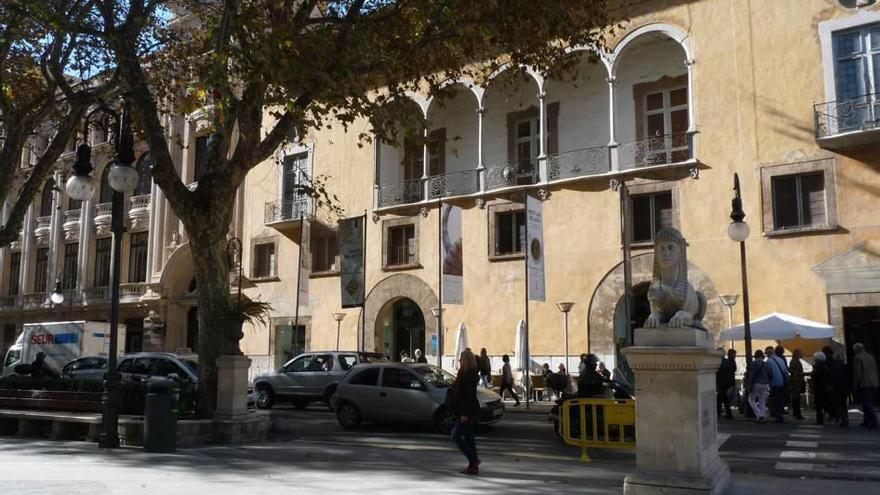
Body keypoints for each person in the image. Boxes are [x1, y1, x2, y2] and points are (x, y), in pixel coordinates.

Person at [448, 349, 480, 475]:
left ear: (466, 360)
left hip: (467, 412)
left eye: (461, 359)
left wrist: (465, 414)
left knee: (456, 435)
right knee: (469, 438)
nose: (459, 361)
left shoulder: (468, 375)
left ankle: (474, 460)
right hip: (468, 411)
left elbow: (468, 396)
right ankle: (473, 467)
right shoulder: (465, 373)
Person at [852, 343, 878, 430]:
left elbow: (857, 372)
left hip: (864, 383)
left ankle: (874, 421)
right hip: (874, 383)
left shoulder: (857, 358)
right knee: (868, 402)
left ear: (857, 349)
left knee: (866, 403)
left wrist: (855, 384)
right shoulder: (871, 357)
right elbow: (875, 370)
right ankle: (866, 421)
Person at [825, 345, 849, 428]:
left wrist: (830, 385)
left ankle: (843, 420)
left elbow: (832, 377)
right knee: (844, 404)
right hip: (845, 387)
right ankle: (845, 418)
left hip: (837, 387)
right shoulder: (846, 366)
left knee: (838, 404)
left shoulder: (835, 366)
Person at [746, 349, 771, 423]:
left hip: (756, 383)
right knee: (762, 400)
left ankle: (759, 415)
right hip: (764, 384)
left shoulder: (754, 363)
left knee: (751, 399)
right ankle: (763, 415)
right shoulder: (765, 363)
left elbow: (752, 375)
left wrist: (748, 385)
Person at [766, 346, 789, 423]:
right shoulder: (780, 360)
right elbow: (786, 371)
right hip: (782, 382)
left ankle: (777, 416)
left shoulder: (768, 361)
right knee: (780, 400)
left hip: (774, 382)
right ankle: (779, 416)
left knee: (775, 400)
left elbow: (768, 373)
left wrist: (768, 382)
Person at [811, 351, 832, 425]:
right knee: (824, 403)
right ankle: (825, 416)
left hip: (819, 387)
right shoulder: (825, 365)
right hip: (824, 387)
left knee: (819, 404)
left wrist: (813, 369)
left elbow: (814, 375)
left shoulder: (818, 366)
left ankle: (820, 420)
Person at [717, 349, 737, 419]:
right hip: (728, 382)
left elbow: (718, 373)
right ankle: (718, 411)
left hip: (722, 383)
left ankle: (728, 414)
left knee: (724, 398)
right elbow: (733, 370)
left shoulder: (719, 362)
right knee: (720, 397)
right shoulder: (728, 361)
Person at [788, 349, 806, 420]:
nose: (802, 354)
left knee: (796, 398)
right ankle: (797, 413)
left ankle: (796, 412)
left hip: (796, 382)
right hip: (796, 383)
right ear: (797, 354)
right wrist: (804, 374)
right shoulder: (795, 361)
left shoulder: (795, 361)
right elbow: (793, 372)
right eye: (801, 353)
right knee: (796, 398)